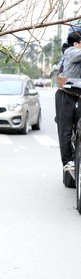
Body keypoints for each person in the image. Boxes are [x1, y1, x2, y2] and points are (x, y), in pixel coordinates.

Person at [55, 30, 81, 173]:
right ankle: (67, 162)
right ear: (76, 44)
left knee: (77, 129)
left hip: (77, 94)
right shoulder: (71, 52)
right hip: (65, 95)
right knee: (65, 130)